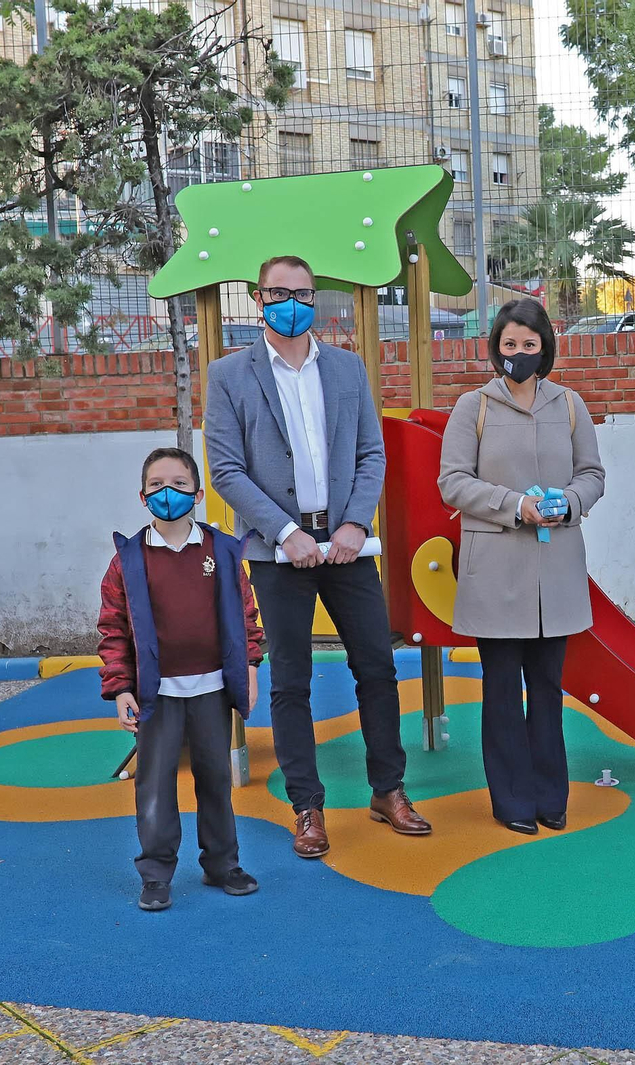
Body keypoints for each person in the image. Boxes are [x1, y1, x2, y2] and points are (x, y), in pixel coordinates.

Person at [204, 254, 431, 861]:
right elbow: (225, 470)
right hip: (280, 552)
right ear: (258, 299)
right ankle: (308, 807)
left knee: (378, 671)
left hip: (348, 545)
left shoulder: (348, 368)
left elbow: (370, 454)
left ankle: (389, 790)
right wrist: (284, 533)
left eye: (304, 294)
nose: (293, 304)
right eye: (280, 293)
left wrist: (355, 523)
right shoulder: (229, 375)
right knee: (292, 683)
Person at [437, 299, 606, 835]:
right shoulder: (473, 407)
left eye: (529, 345)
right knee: (503, 691)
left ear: (545, 347)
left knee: (549, 690)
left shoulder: (570, 404)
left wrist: (568, 502)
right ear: (495, 348)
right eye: (509, 345)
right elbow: (454, 481)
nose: (518, 354)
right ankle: (512, 800)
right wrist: (515, 505)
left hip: (554, 569)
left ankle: (550, 798)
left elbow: (593, 474)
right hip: (496, 572)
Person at [98, 447, 265, 911]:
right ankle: (155, 873)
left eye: (177, 482)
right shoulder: (128, 560)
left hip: (212, 690)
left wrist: (249, 669)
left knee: (216, 779)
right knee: (153, 784)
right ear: (142, 495)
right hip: (157, 697)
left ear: (197, 492)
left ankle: (222, 864)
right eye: (156, 485)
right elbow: (112, 628)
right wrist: (121, 687)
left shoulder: (222, 551)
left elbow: (246, 617)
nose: (167, 492)